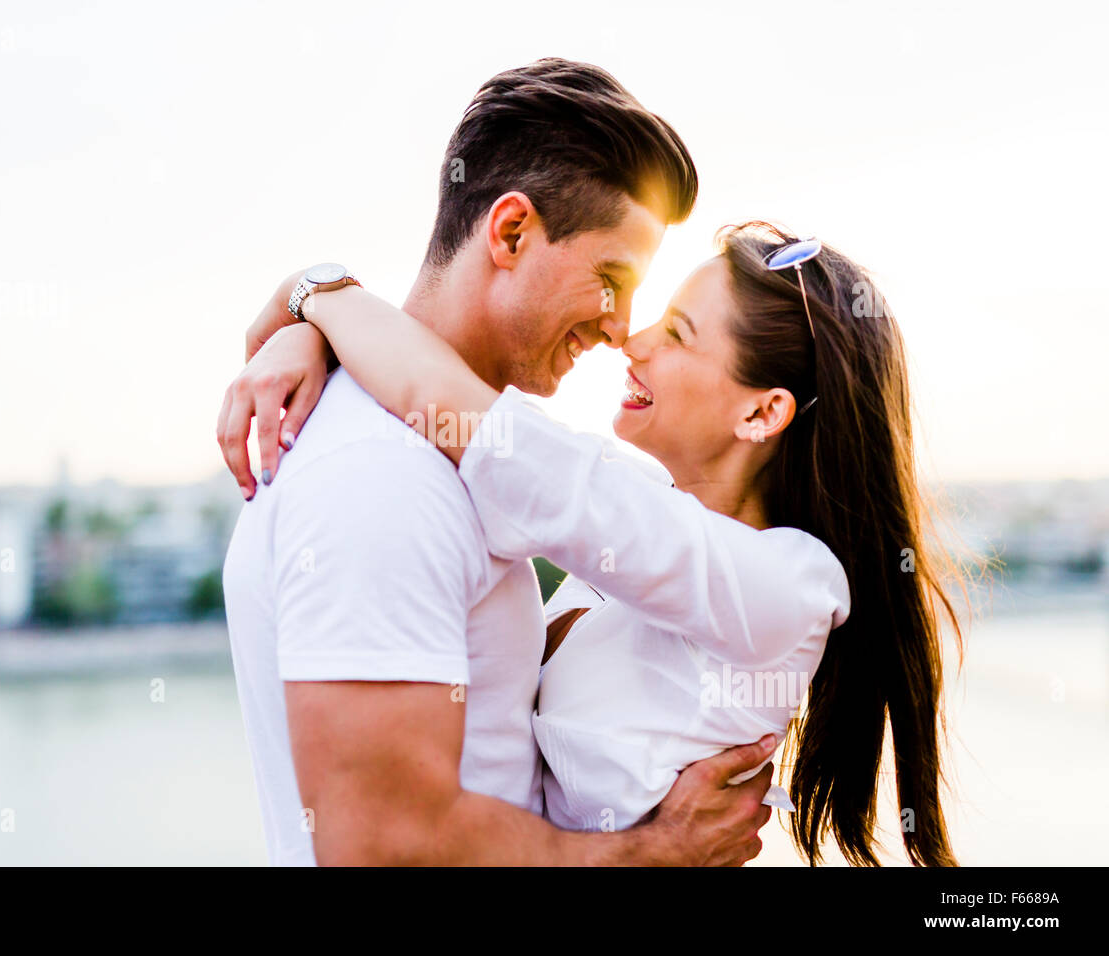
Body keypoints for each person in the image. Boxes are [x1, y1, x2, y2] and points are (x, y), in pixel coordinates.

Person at [227, 221, 964, 867]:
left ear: (762, 413)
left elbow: (452, 407)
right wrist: (308, 322)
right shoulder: (630, 523)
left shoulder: (791, 587)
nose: (631, 339)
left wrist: (314, 295)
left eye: (676, 333)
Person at [215, 58, 778, 866]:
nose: (621, 330)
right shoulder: (384, 478)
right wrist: (658, 851)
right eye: (611, 280)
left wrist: (316, 300)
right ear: (511, 232)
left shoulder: (436, 450)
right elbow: (383, 844)